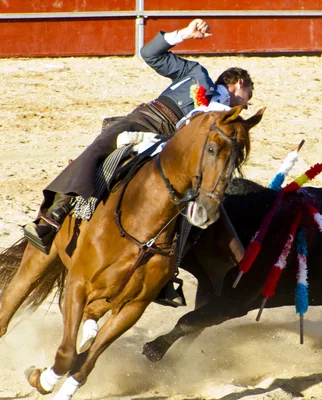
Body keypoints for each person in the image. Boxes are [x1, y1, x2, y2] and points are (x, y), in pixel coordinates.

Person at [23, 19, 254, 306]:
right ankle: (54, 216)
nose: (245, 105)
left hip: (170, 148)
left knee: (179, 208)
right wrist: (183, 34)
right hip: (148, 120)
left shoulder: (223, 123)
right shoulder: (197, 74)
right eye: (248, 98)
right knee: (97, 153)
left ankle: (165, 278)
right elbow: (149, 54)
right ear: (239, 83)